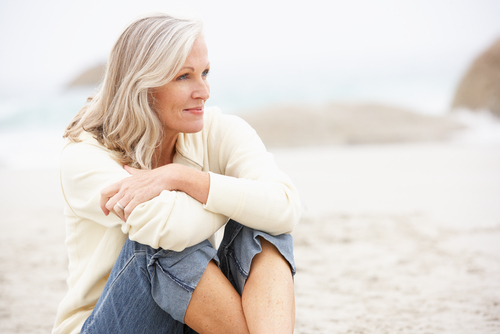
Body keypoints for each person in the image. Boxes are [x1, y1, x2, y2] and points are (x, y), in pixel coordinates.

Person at [53, 12, 300, 334]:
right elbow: (168, 229)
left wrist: (184, 178)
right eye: (184, 77)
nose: (204, 91)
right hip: (108, 323)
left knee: (263, 227)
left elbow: (284, 207)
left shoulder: (220, 131)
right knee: (159, 241)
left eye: (205, 73)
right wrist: (230, 200)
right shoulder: (85, 154)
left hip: (188, 321)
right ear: (142, 83)